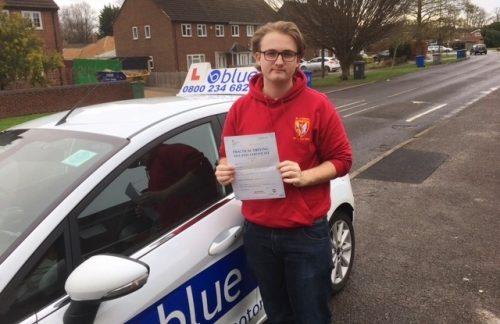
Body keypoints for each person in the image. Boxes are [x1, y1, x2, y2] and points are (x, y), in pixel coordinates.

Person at [215, 21, 352, 324]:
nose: (279, 60)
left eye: (288, 54)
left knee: (312, 315)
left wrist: (305, 176)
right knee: (277, 315)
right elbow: (226, 155)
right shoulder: (239, 109)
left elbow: (342, 159)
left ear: (298, 60)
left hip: (305, 234)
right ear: (257, 57)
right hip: (258, 234)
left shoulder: (318, 105)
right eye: (271, 53)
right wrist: (222, 169)